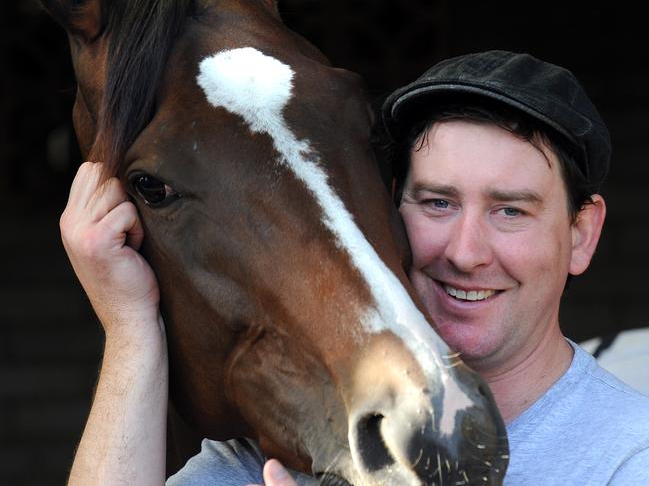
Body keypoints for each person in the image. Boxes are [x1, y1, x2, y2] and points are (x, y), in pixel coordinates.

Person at [61, 50, 649, 486]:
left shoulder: (629, 456)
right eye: (438, 202)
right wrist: (130, 324)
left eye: (510, 210)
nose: (466, 253)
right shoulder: (309, 436)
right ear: (385, 207)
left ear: (581, 235)